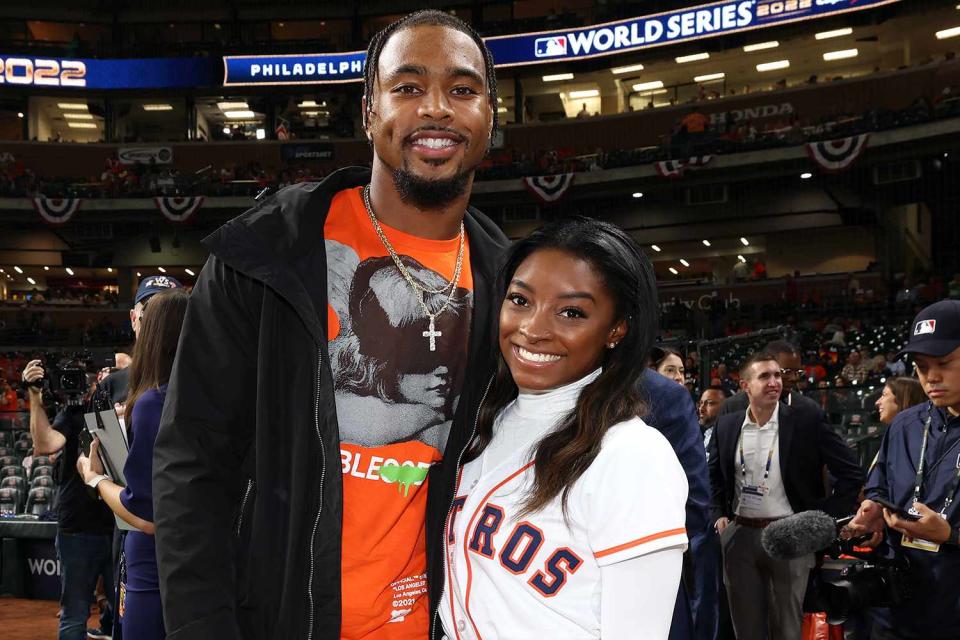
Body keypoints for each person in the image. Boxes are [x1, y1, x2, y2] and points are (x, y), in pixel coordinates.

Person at [152, 11, 509, 640]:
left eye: (462, 89)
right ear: (369, 112)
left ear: (491, 118)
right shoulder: (265, 252)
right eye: (407, 86)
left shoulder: (512, 284)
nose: (436, 109)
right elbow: (192, 462)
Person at [439, 216, 688, 639]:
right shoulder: (481, 421)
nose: (533, 329)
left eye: (571, 312)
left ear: (616, 329)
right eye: (520, 300)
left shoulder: (633, 455)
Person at [708, 352, 863, 640]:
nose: (774, 382)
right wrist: (718, 514)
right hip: (739, 533)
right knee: (746, 629)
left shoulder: (806, 420)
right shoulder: (727, 425)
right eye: (764, 376)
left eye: (777, 375)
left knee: (788, 630)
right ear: (745, 385)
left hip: (790, 534)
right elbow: (714, 476)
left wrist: (823, 521)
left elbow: (851, 472)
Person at [77, 288, 188, 640]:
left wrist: (94, 478)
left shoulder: (154, 401)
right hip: (208, 558)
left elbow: (145, 515)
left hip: (155, 561)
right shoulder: (214, 395)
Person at [848, 300, 960, 639]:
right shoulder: (905, 424)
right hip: (894, 609)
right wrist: (873, 511)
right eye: (922, 366)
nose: (931, 377)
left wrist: (951, 535)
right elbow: (880, 484)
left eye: (943, 363)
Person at [21, 357, 115, 640]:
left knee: (127, 612)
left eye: (114, 372)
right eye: (100, 374)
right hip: (79, 528)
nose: (105, 378)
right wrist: (35, 396)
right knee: (75, 613)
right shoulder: (75, 413)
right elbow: (45, 444)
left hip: (121, 525)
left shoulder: (134, 412)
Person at [721, 340, 821, 415]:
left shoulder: (809, 409)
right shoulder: (733, 406)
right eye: (786, 372)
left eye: (797, 372)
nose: (794, 378)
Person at [698, 386, 727, 459]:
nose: (701, 408)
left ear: (726, 406)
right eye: (701, 403)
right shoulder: (705, 434)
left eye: (709, 403)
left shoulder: (726, 439)